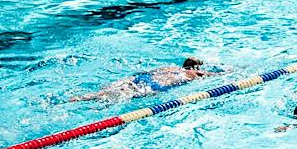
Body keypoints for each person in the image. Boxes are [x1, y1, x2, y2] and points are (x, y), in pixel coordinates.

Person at [71, 57, 213, 103]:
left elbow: (143, 72)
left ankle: (78, 98)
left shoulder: (168, 67)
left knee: (103, 93)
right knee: (110, 100)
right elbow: (215, 75)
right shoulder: (192, 74)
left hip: (138, 79)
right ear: (195, 68)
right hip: (152, 85)